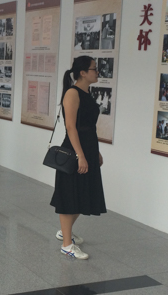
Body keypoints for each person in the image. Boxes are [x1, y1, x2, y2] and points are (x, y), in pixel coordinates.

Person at [50, 56, 106, 260]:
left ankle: (65, 232)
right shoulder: (72, 93)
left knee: (84, 193)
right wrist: (80, 155)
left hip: (88, 148)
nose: (97, 72)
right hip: (75, 150)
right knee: (69, 195)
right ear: (82, 72)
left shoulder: (87, 93)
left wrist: (95, 152)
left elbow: (89, 127)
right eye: (94, 69)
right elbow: (71, 127)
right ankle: (67, 245)